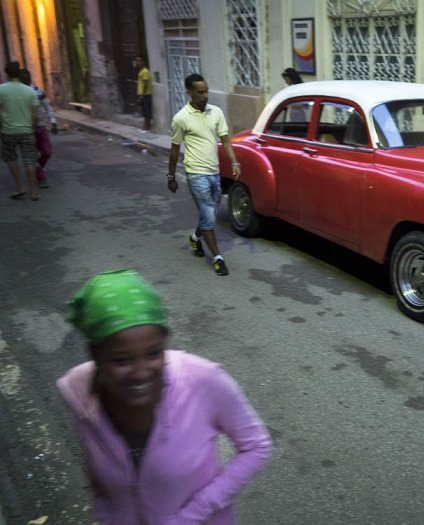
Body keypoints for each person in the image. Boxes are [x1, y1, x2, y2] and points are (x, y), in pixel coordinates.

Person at [58, 269, 272, 524]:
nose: (141, 373)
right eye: (121, 360)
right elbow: (99, 482)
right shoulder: (78, 391)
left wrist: (194, 513)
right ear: (95, 354)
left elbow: (256, 446)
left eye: (153, 354)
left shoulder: (202, 379)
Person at [167, 73, 239, 276]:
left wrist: (234, 161)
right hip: (195, 173)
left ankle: (195, 238)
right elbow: (174, 149)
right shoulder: (181, 118)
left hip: (214, 173)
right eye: (200, 92)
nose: (205, 95)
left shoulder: (215, 112)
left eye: (206, 91)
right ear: (189, 93)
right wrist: (171, 177)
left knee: (210, 214)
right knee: (208, 213)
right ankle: (218, 258)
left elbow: (225, 140)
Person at [0, 61, 40, 200]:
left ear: (7, 74)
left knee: (11, 158)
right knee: (29, 160)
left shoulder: (1, 90)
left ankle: (19, 187)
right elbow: (35, 113)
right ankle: (34, 191)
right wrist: (32, 127)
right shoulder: (30, 91)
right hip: (26, 130)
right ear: (19, 73)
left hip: (8, 131)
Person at [18, 68, 58, 189]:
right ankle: (40, 177)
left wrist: (53, 122)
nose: (26, 79)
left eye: (27, 77)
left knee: (47, 152)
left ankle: (39, 167)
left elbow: (47, 107)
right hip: (26, 128)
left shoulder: (38, 91)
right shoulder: (18, 94)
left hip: (40, 127)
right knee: (32, 155)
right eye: (23, 77)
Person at [134, 56, 152, 131]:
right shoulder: (141, 71)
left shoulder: (144, 71)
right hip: (143, 94)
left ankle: (146, 127)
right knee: (144, 110)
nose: (137, 63)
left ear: (143, 62)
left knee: (146, 111)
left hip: (146, 95)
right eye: (136, 61)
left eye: (139, 61)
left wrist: (142, 95)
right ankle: (145, 126)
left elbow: (145, 83)